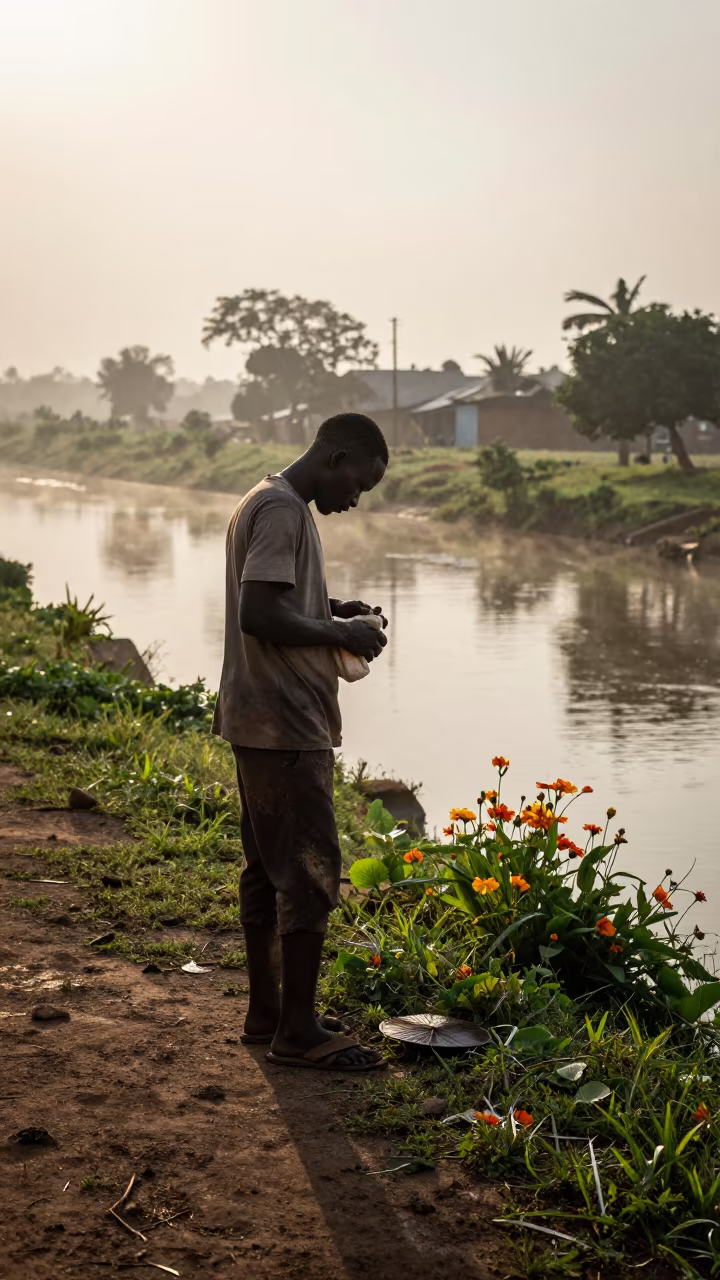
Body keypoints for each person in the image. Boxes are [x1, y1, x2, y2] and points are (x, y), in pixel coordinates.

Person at [213, 412, 389, 1071]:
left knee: (264, 866)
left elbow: (275, 599)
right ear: (337, 456)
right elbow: (256, 611)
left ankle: (270, 1013)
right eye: (360, 484)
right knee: (311, 874)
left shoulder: (262, 499)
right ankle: (298, 1032)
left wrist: (334, 611)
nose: (355, 499)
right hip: (284, 721)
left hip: (254, 717)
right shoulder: (284, 509)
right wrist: (339, 636)